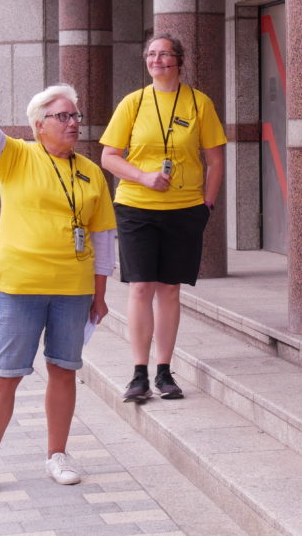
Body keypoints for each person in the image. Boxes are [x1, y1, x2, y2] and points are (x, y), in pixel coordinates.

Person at [0, 83, 116, 498]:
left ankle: (58, 454)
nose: (73, 123)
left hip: (73, 289)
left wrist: (100, 295)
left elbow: (102, 239)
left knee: (64, 370)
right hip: (21, 285)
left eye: (75, 116)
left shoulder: (91, 171)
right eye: (63, 116)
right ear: (38, 125)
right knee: (5, 374)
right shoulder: (16, 156)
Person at [101, 35, 226, 402]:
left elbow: (215, 160)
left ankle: (164, 371)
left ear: (180, 61)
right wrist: (143, 177)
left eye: (164, 54)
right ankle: (138, 374)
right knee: (141, 287)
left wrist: (208, 205)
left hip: (185, 209)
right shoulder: (133, 103)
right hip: (136, 206)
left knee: (170, 290)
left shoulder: (199, 103)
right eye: (151, 54)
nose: (156, 60)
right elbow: (109, 156)